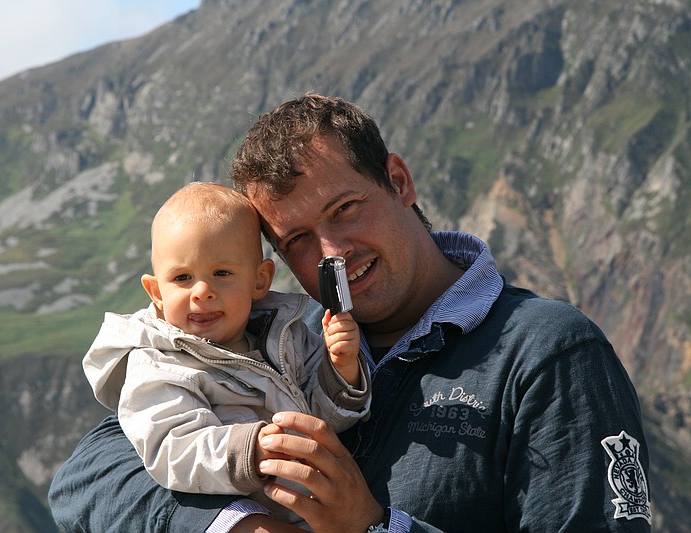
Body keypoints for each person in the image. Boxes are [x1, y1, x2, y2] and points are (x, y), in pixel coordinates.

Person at [49, 94, 651, 532]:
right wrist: (234, 523)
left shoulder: (547, 352)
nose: (332, 252)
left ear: (399, 181)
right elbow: (87, 477)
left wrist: (371, 527)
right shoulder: (270, 340)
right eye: (298, 240)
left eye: (345, 209)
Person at [80, 182, 370, 527]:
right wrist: (251, 449)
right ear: (156, 291)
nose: (202, 291)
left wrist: (341, 369)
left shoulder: (289, 337)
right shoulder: (158, 366)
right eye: (182, 277)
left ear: (259, 280)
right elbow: (173, 450)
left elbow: (328, 423)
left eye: (222, 273)